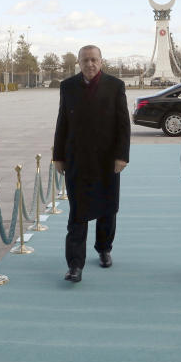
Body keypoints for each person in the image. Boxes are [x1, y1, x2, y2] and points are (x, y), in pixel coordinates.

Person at [53, 45, 131, 283]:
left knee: (108, 208)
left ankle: (104, 247)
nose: (90, 64)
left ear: (101, 61)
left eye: (94, 60)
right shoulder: (68, 87)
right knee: (78, 212)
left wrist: (122, 156)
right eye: (85, 60)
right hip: (77, 159)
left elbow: (123, 124)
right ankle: (75, 265)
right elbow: (62, 121)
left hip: (107, 160)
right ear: (78, 62)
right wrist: (58, 156)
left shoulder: (115, 86)